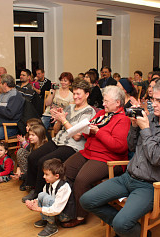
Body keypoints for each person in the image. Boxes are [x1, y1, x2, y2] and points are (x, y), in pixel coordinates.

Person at [80, 79, 160, 237]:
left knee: (120, 224)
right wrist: (133, 126)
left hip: (151, 185)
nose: (154, 104)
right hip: (128, 177)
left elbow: (156, 158)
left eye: (159, 101)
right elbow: (131, 146)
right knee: (87, 200)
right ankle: (130, 230)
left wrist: (145, 129)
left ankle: (129, 230)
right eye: (153, 100)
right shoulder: (150, 118)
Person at [61, 85, 130, 228]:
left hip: (108, 158)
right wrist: (87, 129)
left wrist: (98, 132)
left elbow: (119, 146)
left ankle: (80, 215)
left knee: (81, 179)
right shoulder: (101, 114)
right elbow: (86, 132)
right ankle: (68, 209)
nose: (103, 104)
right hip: (89, 152)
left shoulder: (123, 120)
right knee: (65, 170)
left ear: (118, 103)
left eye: (106, 101)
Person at [23, 79, 96, 202]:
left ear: (87, 95)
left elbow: (77, 136)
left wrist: (63, 120)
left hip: (73, 146)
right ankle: (32, 184)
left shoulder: (89, 111)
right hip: (58, 140)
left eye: (79, 94)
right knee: (32, 157)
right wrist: (57, 118)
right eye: (74, 93)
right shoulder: (70, 106)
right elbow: (57, 130)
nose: (75, 96)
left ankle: (38, 193)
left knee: (43, 161)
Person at [25, 158, 72, 237]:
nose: (43, 176)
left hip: (64, 215)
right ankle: (46, 219)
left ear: (57, 176)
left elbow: (56, 209)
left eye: (46, 174)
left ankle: (52, 226)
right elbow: (43, 196)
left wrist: (38, 209)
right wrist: (34, 202)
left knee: (46, 198)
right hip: (55, 209)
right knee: (41, 194)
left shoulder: (64, 187)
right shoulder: (49, 183)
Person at [13, 123, 48, 191]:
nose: (30, 137)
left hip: (39, 173)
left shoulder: (43, 148)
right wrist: (18, 168)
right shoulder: (32, 146)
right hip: (30, 171)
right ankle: (26, 180)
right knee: (21, 151)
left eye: (33, 135)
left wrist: (22, 176)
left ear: (40, 136)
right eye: (29, 135)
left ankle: (30, 183)